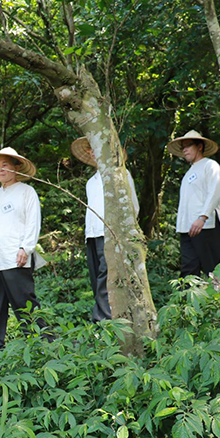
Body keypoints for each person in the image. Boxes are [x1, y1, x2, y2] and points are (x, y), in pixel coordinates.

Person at [0, 147, 50, 349]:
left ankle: (43, 345)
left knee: (24, 303)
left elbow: (33, 222)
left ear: (16, 168)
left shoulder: (27, 192)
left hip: (16, 258)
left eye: (5, 165)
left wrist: (26, 248)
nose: (0, 169)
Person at [70, 137, 139, 321]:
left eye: (97, 148)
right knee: (96, 277)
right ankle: (107, 318)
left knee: (106, 277)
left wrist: (125, 233)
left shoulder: (120, 174)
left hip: (111, 233)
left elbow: (133, 206)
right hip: (92, 235)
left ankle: (104, 320)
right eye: (91, 149)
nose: (94, 152)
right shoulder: (90, 182)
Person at [167, 130, 220, 277]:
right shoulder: (189, 173)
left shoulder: (210, 165)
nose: (185, 150)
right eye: (182, 147)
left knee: (215, 268)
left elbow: (215, 192)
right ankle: (188, 299)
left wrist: (203, 217)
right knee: (189, 269)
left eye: (188, 145)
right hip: (188, 228)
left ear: (199, 146)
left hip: (207, 225)